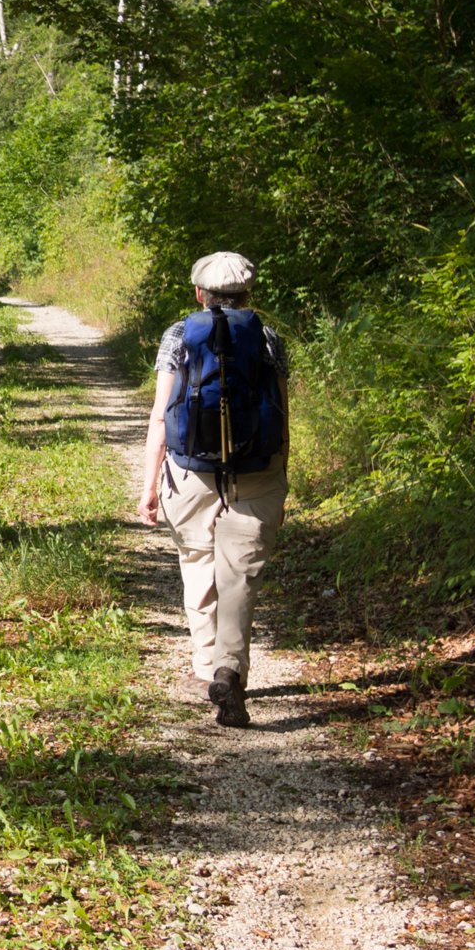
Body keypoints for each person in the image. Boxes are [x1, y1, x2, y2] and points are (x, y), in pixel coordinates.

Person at [135, 251, 288, 728]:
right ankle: (231, 668)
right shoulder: (267, 338)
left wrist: (149, 485)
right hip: (258, 467)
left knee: (198, 566)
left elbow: (162, 415)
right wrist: (277, 475)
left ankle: (207, 672)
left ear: (198, 293)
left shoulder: (179, 336)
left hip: (190, 472)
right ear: (248, 294)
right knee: (240, 575)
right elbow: (281, 415)